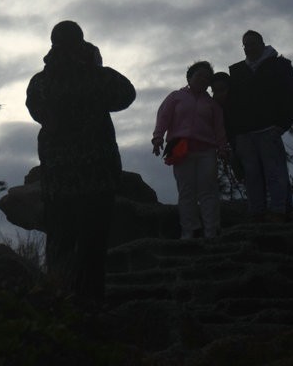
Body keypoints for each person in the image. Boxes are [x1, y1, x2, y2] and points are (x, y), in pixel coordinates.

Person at [26, 20, 136, 304]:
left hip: (57, 180)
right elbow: (126, 93)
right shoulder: (95, 76)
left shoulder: (40, 82)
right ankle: (90, 305)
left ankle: (59, 302)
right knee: (91, 246)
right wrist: (94, 65)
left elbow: (35, 110)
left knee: (60, 244)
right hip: (96, 177)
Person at [226, 30, 293, 222]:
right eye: (245, 45)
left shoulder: (280, 65)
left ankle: (279, 211)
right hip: (244, 133)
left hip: (269, 129)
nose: (248, 48)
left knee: (275, 172)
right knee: (251, 175)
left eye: (252, 43)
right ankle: (256, 211)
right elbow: (232, 103)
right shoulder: (237, 70)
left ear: (262, 43)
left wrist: (282, 124)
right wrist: (232, 134)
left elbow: (290, 96)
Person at [152, 61, 227, 239]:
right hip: (179, 148)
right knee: (186, 191)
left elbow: (219, 128)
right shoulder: (176, 97)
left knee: (208, 191)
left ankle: (211, 230)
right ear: (190, 76)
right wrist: (157, 137)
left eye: (206, 77)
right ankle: (189, 231)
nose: (202, 79)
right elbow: (163, 117)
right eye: (199, 75)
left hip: (207, 150)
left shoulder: (212, 104)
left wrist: (223, 148)